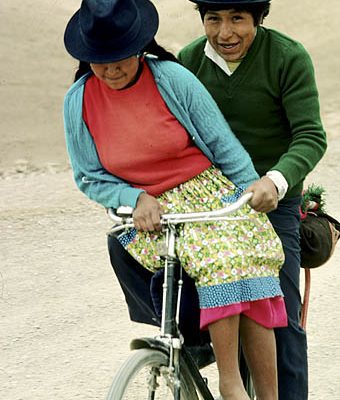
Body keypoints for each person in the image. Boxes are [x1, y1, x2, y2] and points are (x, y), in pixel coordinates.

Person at [63, 0, 287, 398]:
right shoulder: (78, 101)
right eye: (99, 60)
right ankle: (230, 380)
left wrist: (252, 187)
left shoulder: (172, 79)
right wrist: (133, 196)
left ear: (139, 47)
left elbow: (221, 144)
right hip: (149, 213)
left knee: (244, 258)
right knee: (221, 258)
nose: (111, 69)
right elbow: (88, 176)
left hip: (207, 194)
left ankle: (245, 387)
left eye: (119, 58)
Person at [177, 0, 327, 399]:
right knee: (181, 296)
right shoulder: (189, 61)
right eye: (214, 20)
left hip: (272, 204)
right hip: (211, 207)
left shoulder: (287, 57)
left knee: (280, 317)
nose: (225, 33)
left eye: (237, 19)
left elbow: (310, 136)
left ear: (258, 19)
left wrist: (274, 182)